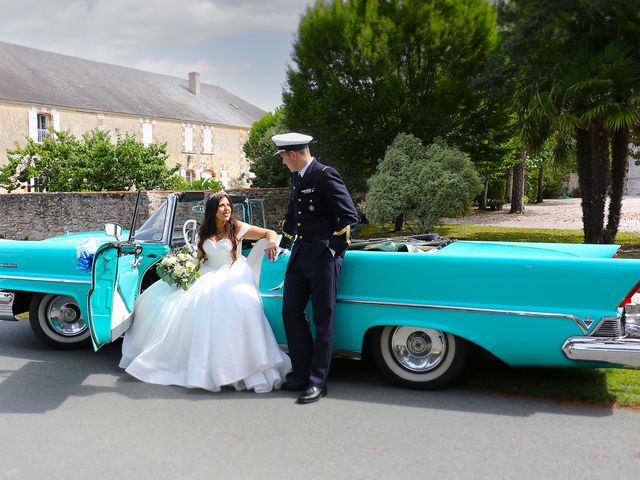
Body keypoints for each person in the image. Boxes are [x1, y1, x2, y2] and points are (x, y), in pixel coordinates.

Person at [119, 192, 291, 393]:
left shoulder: (236, 227)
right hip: (208, 272)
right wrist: (184, 272)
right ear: (212, 210)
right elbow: (201, 258)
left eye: (228, 205)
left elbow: (269, 233)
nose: (227, 209)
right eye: (221, 206)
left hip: (233, 273)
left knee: (236, 305)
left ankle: (237, 366)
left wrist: (272, 243)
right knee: (176, 302)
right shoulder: (204, 231)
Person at [273, 132, 359, 404]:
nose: (284, 163)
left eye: (284, 158)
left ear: (293, 154)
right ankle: (301, 372)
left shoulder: (324, 174)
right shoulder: (297, 177)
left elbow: (349, 216)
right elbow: (293, 213)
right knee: (290, 311)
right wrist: (283, 243)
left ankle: (317, 381)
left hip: (323, 255)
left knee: (324, 318)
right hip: (301, 253)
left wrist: (332, 249)